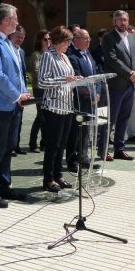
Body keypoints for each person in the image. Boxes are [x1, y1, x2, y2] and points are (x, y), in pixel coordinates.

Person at [0, 3, 31, 208]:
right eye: (15, 18)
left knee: (8, 147)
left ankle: (4, 185)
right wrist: (16, 94)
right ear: (7, 20)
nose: (18, 22)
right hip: (0, 105)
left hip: (13, 105)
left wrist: (22, 94)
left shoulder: (8, 43)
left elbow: (16, 73)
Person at [38, 26, 78, 192]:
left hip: (67, 106)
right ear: (59, 41)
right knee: (53, 145)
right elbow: (42, 81)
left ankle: (58, 175)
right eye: (67, 41)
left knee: (62, 144)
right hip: (54, 107)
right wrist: (64, 79)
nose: (69, 44)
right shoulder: (48, 56)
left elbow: (69, 79)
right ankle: (48, 179)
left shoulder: (65, 57)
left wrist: (76, 79)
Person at [102, 10, 135, 160]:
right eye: (119, 20)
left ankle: (119, 149)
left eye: (124, 20)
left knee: (124, 118)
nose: (122, 22)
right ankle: (104, 150)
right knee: (110, 119)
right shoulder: (108, 38)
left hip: (130, 85)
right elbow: (112, 59)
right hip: (115, 85)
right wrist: (130, 73)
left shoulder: (132, 37)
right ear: (114, 22)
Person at [66, 28, 98, 170]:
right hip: (79, 100)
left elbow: (96, 74)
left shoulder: (88, 54)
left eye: (89, 39)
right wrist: (91, 95)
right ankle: (72, 160)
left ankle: (83, 157)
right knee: (75, 131)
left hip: (91, 99)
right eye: (86, 39)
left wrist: (98, 93)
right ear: (76, 39)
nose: (89, 41)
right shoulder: (72, 56)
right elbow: (78, 80)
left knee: (86, 131)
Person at [28, 30, 50, 153]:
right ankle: (33, 143)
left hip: (50, 89)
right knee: (41, 117)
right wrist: (48, 78)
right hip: (39, 89)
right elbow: (36, 72)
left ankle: (44, 142)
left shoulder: (51, 54)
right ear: (39, 41)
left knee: (45, 117)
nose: (48, 42)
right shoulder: (36, 54)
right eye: (45, 39)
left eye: (49, 39)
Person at [10, 25, 28, 156]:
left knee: (19, 121)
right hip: (11, 93)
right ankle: (10, 146)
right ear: (11, 36)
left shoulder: (21, 51)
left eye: (22, 37)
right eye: (18, 37)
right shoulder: (8, 49)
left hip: (22, 93)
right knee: (10, 123)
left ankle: (16, 145)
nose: (20, 40)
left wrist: (25, 91)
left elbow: (23, 74)